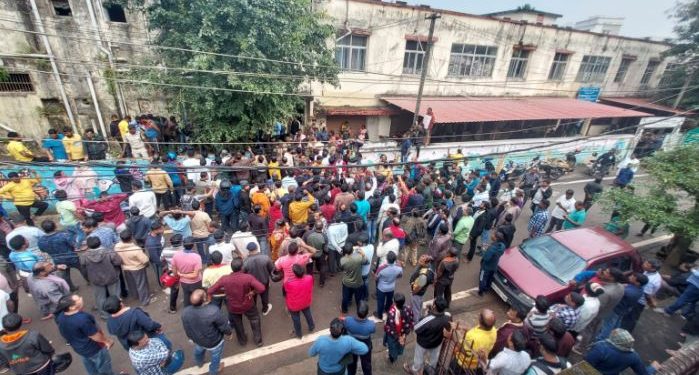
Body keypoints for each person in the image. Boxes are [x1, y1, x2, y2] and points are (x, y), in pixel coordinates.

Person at [208, 258, 265, 347]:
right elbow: (261, 288)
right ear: (242, 267)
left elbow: (210, 290)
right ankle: (258, 341)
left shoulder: (224, 279)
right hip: (248, 304)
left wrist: (224, 291)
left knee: (238, 323)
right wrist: (253, 292)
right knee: (254, 319)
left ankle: (242, 341)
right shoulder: (248, 277)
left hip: (233, 306)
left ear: (231, 268)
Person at [55, 294, 118, 375]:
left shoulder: (61, 316)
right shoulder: (82, 319)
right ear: (72, 307)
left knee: (90, 366)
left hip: (79, 348)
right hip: (94, 348)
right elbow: (95, 336)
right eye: (78, 299)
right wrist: (107, 341)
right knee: (103, 366)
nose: (81, 298)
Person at [181, 289, 232, 375]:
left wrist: (191, 338)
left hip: (197, 339)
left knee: (198, 350)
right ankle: (213, 370)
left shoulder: (185, 312)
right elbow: (223, 326)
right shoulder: (213, 311)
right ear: (205, 300)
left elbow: (187, 327)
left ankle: (199, 363)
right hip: (213, 342)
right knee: (216, 356)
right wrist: (229, 332)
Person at [404, 297, 452, 375]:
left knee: (418, 359)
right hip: (437, 342)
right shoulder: (448, 316)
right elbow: (449, 327)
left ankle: (415, 370)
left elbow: (416, 328)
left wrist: (426, 315)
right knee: (434, 359)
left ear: (434, 306)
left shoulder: (427, 319)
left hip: (423, 343)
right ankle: (430, 371)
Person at [104, 296, 169, 351]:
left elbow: (112, 331)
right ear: (121, 304)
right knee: (165, 346)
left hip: (131, 346)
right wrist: (159, 326)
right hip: (146, 339)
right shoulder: (134, 313)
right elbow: (150, 325)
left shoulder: (109, 321)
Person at [82, 237, 122, 320]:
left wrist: (88, 278)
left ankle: (104, 315)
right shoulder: (109, 252)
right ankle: (117, 312)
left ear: (88, 246)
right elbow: (118, 262)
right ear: (100, 243)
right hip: (111, 277)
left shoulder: (84, 256)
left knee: (100, 298)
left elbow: (83, 268)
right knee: (115, 295)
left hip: (96, 279)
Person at [37, 219, 82, 291]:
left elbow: (43, 250)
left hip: (57, 260)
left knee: (65, 274)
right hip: (71, 257)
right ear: (55, 226)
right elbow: (74, 244)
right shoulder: (63, 235)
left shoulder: (41, 240)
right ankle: (89, 280)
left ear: (43, 229)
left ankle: (71, 288)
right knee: (82, 268)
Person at [585, 328, 651, 375]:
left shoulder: (601, 349)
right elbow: (643, 373)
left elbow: (586, 364)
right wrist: (652, 368)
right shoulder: (633, 356)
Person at [114, 229, 154, 306]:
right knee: (141, 284)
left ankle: (135, 295)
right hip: (137, 268)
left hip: (125, 267)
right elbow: (145, 260)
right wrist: (147, 264)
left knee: (131, 283)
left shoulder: (117, 246)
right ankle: (145, 300)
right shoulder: (135, 249)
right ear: (131, 238)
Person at [170, 236, 203, 311]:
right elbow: (195, 275)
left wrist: (179, 275)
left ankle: (187, 311)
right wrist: (182, 275)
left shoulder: (176, 255)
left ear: (183, 244)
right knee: (197, 297)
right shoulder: (196, 257)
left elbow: (174, 269)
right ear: (193, 245)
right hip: (195, 282)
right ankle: (198, 311)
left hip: (183, 281)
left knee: (186, 295)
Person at [243, 242, 275, 315]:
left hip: (252, 284)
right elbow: (272, 270)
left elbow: (243, 274)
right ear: (257, 248)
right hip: (264, 281)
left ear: (248, 250)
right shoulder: (265, 257)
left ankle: (254, 310)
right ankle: (265, 310)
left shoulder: (245, 261)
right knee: (264, 296)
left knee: (253, 297)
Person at [344, 301, 376, 375]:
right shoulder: (371, 325)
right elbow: (373, 331)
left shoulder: (348, 321)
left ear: (357, 312)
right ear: (367, 313)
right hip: (365, 346)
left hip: (352, 346)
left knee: (351, 365)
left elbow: (344, 324)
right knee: (366, 364)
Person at [285, 264, 316, 339]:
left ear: (294, 273)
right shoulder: (309, 278)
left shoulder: (288, 282)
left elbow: (286, 291)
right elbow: (312, 285)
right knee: (308, 313)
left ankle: (299, 333)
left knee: (296, 319)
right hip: (305, 301)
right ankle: (311, 326)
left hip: (294, 305)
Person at [383, 292, 414, 364]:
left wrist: (398, 337)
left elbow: (390, 326)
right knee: (400, 345)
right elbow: (410, 321)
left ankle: (392, 358)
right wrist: (404, 334)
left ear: (395, 303)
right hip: (403, 333)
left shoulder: (391, 312)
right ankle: (396, 354)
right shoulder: (408, 309)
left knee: (392, 346)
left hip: (393, 335)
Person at [375, 251, 403, 320]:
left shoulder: (381, 268)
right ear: (395, 259)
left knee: (380, 302)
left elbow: (376, 277)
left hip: (381, 288)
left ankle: (379, 315)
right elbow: (400, 275)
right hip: (391, 287)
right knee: (389, 300)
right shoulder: (399, 267)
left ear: (387, 259)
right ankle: (387, 310)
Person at [340, 243, 367, 315]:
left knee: (345, 297)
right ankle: (359, 309)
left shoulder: (343, 260)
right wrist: (363, 254)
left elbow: (342, 268)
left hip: (347, 282)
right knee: (359, 298)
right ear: (352, 250)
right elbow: (366, 262)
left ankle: (344, 310)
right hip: (358, 282)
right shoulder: (359, 257)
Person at [478, 232, 506, 296]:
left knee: (482, 278)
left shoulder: (492, 249)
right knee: (489, 278)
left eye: (493, 235)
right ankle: (487, 288)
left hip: (486, 267)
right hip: (494, 266)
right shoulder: (502, 246)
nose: (492, 235)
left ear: (496, 238)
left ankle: (481, 291)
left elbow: (486, 258)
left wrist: (485, 251)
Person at [409, 255, 435, 320]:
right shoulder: (428, 267)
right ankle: (419, 318)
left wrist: (413, 292)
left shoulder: (423, 275)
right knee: (419, 307)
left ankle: (416, 325)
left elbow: (419, 287)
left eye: (421, 261)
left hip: (417, 294)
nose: (419, 261)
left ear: (426, 263)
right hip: (421, 293)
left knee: (415, 310)